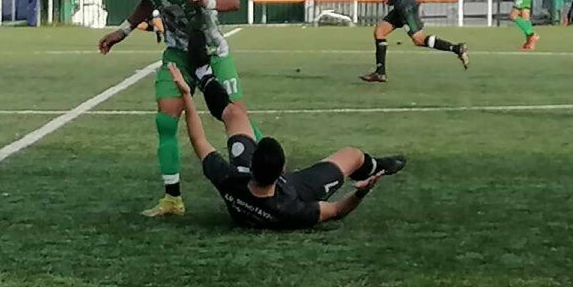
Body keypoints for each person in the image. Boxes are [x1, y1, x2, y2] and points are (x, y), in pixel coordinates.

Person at [98, 0, 261, 218]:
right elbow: (149, 1)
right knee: (165, 119)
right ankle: (172, 198)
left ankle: (271, 179)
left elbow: (232, 0)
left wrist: (206, 0)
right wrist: (122, 32)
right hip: (178, 53)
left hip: (211, 52)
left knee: (237, 118)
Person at [168, 63, 405, 230]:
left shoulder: (230, 180)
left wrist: (187, 94)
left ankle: (204, 74)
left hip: (254, 191)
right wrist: (361, 192)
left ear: (250, 165)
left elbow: (199, 140)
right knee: (353, 155)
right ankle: (376, 167)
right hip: (297, 189)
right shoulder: (292, 209)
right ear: (283, 170)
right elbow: (336, 211)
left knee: (236, 115)